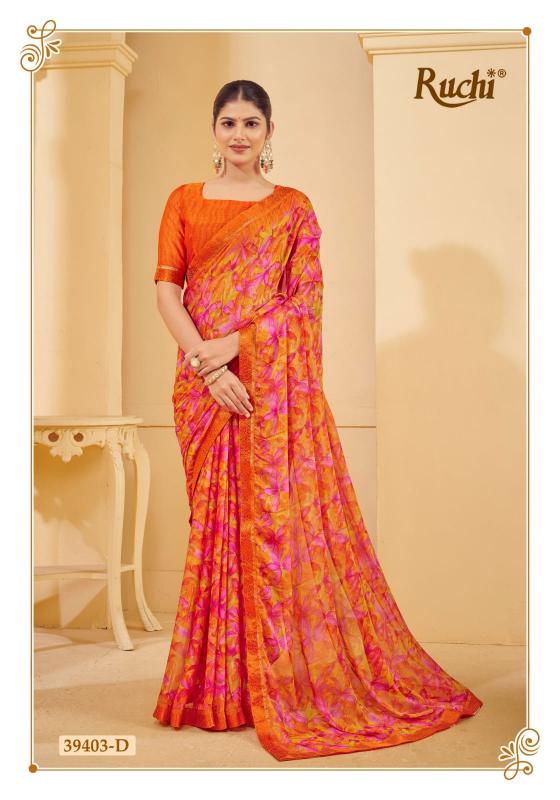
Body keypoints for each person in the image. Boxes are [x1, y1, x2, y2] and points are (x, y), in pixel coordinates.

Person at [151, 79, 483, 762]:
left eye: (251, 123)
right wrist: (209, 368)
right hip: (203, 388)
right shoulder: (183, 200)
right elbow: (167, 290)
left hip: (270, 389)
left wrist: (238, 346)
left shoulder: (293, 208)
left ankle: (270, 684)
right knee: (215, 531)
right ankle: (220, 689)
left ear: (270, 131)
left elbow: (304, 303)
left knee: (274, 531)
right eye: (228, 122)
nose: (239, 134)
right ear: (213, 130)